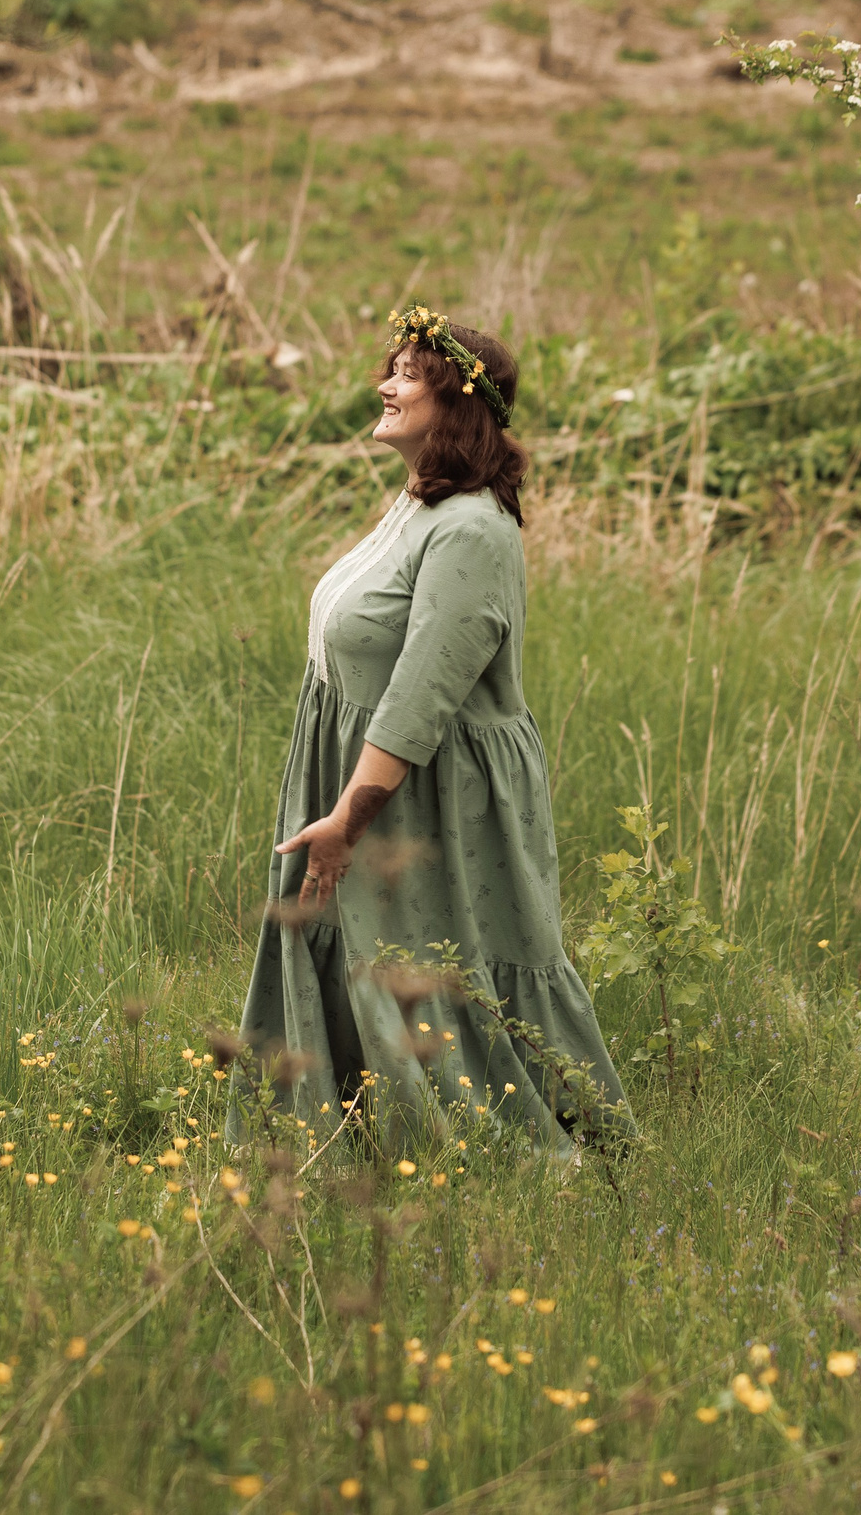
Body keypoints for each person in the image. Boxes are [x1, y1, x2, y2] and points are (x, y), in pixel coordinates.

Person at [227, 307, 628, 1159]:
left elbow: (418, 701)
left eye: (409, 375)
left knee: (429, 960)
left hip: (433, 791)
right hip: (374, 773)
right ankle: (352, 1130)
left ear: (458, 404)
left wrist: (348, 819)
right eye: (393, 369)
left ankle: (506, 1149)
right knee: (359, 945)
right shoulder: (420, 505)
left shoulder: (471, 530)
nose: (385, 385)